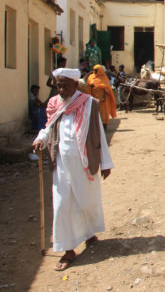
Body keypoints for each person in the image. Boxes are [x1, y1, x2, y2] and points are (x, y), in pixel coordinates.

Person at [32, 68, 114, 271]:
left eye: (64, 85)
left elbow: (99, 135)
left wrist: (105, 163)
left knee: (86, 201)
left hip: (84, 163)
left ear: (75, 85)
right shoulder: (55, 104)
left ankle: (89, 233)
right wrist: (41, 139)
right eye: (58, 85)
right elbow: (48, 126)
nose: (60, 89)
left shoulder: (88, 105)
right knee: (62, 205)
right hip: (61, 164)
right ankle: (68, 249)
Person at [86, 65, 117, 130]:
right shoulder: (90, 77)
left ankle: (104, 127)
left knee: (104, 114)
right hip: (93, 99)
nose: (94, 71)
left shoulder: (105, 78)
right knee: (94, 114)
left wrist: (99, 87)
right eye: (94, 70)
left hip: (103, 100)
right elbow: (87, 87)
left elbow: (107, 88)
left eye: (96, 70)